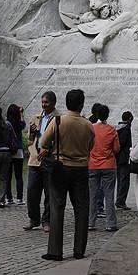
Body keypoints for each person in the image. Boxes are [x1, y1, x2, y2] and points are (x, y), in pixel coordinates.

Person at [39, 89, 95, 261]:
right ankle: (79, 250)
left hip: (60, 167)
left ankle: (55, 251)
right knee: (82, 208)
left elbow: (43, 142)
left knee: (57, 207)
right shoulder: (88, 125)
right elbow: (91, 146)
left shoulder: (58, 121)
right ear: (81, 104)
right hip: (81, 168)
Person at [23, 91, 59, 232]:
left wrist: (48, 150)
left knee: (49, 193)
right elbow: (30, 141)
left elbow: (59, 140)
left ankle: (46, 221)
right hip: (35, 159)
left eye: (47, 102)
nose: (44, 104)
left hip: (49, 159)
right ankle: (33, 219)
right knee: (32, 191)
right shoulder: (36, 118)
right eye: (42, 102)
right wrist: (32, 133)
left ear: (53, 103)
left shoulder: (58, 118)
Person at [87, 103, 120, 232]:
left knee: (92, 195)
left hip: (93, 165)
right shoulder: (112, 129)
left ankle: (90, 223)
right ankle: (110, 223)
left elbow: (87, 145)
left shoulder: (91, 128)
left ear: (96, 114)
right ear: (107, 115)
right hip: (109, 165)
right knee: (109, 195)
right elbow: (117, 149)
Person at [4, 104, 25, 205]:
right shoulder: (19, 124)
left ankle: (9, 198)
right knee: (19, 176)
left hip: (8, 151)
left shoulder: (6, 124)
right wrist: (21, 113)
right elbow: (23, 124)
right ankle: (20, 198)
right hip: (18, 151)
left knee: (8, 176)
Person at [114, 111, 133, 209]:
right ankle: (121, 201)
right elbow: (122, 143)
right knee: (124, 180)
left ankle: (119, 200)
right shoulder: (126, 128)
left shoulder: (117, 128)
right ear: (129, 119)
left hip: (117, 158)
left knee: (120, 179)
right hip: (124, 159)